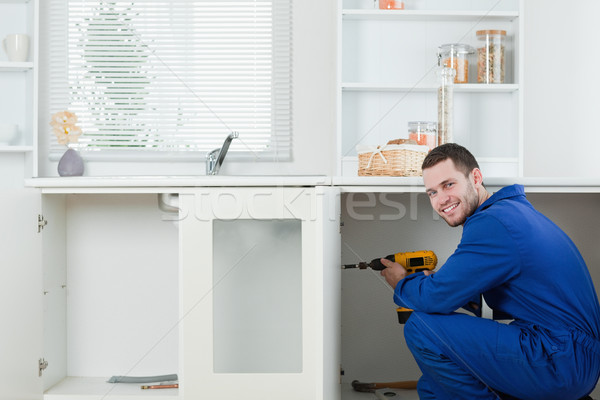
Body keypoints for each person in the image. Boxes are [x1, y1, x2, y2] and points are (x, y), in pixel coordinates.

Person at [380, 143, 600, 400]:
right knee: (432, 385)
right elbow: (521, 296)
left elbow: (434, 298)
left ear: (475, 177)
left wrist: (402, 283)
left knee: (420, 327)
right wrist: (460, 292)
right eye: (432, 192)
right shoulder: (511, 212)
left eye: (449, 185)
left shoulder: (493, 223)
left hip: (559, 360)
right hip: (571, 356)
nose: (441, 200)